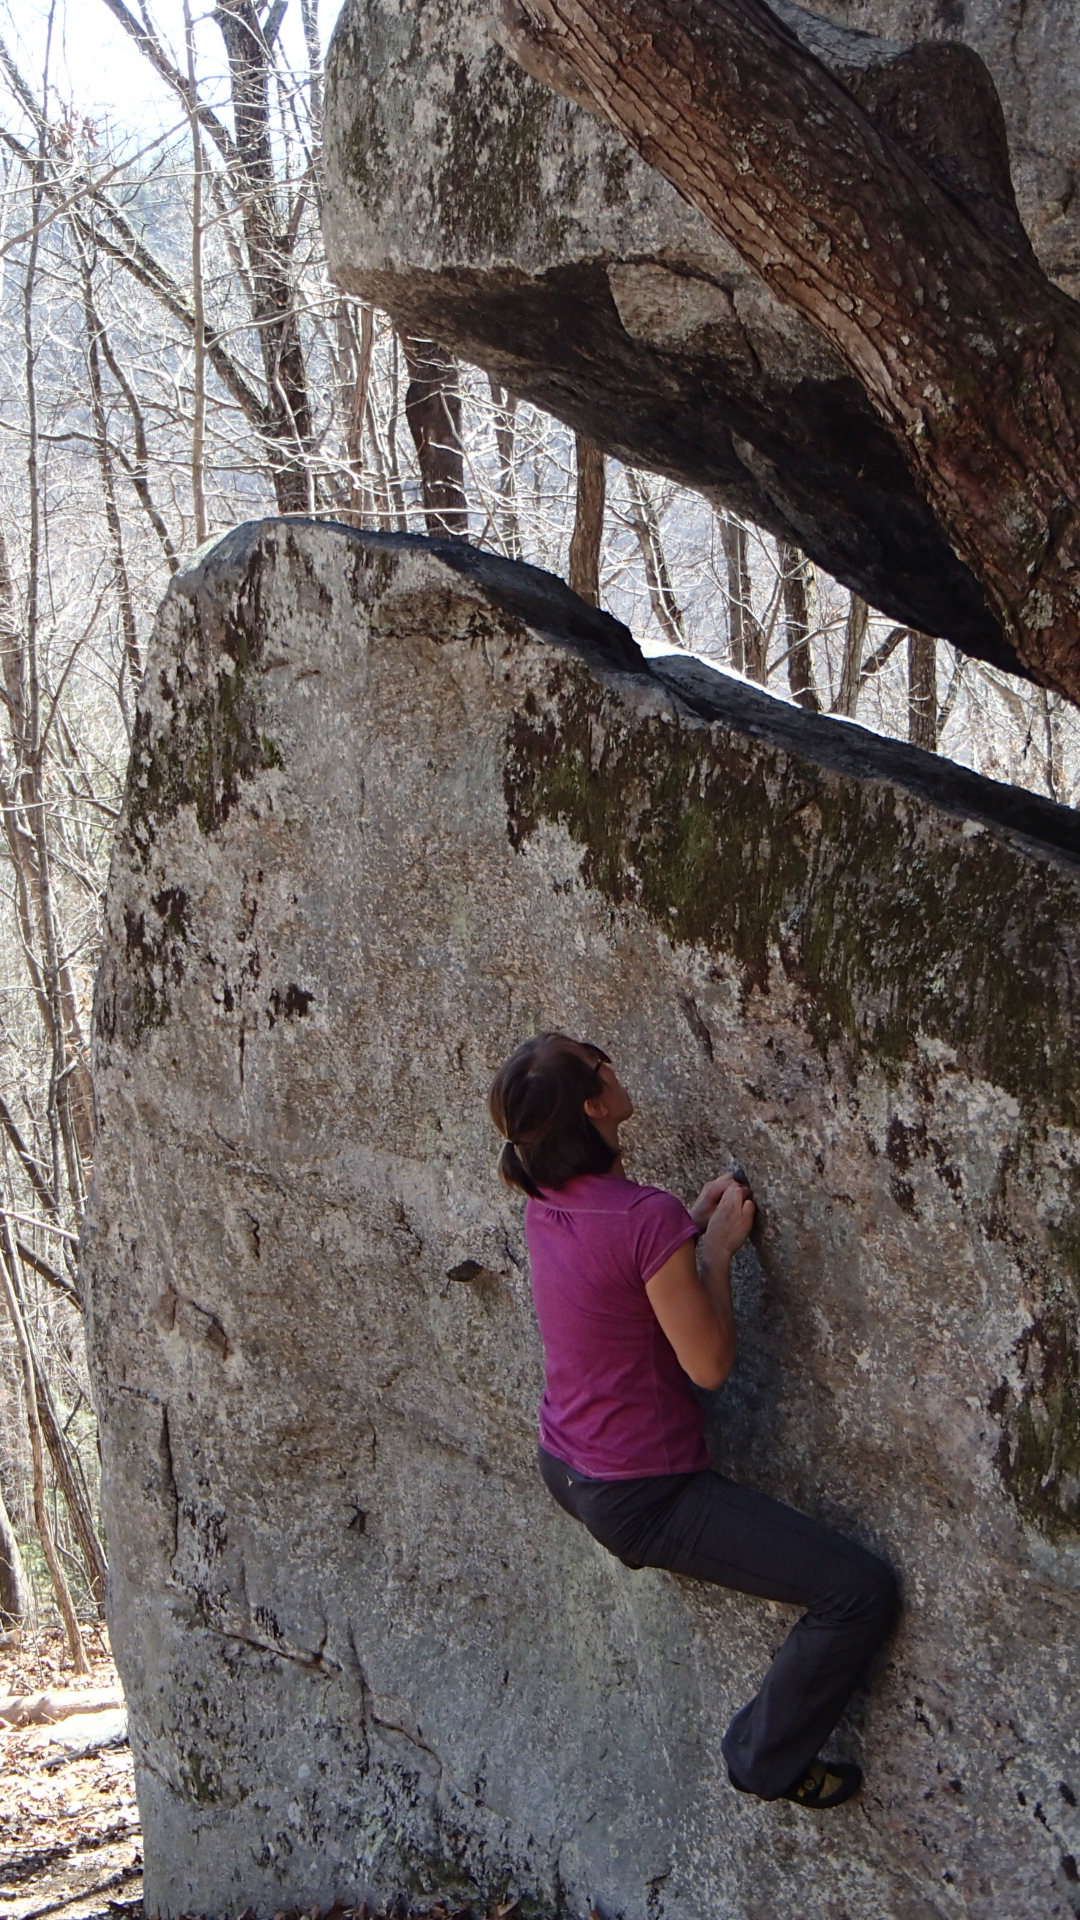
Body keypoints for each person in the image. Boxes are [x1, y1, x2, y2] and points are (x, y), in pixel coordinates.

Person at [488, 1031, 898, 1811]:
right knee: (859, 1591)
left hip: (567, 1463)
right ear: (597, 1103)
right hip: (644, 1493)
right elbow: (707, 1364)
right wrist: (713, 1255)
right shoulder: (646, 1217)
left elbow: (626, 1281)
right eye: (600, 1057)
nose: (612, 1059)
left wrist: (690, 1238)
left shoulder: (546, 1200)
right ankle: (763, 1759)